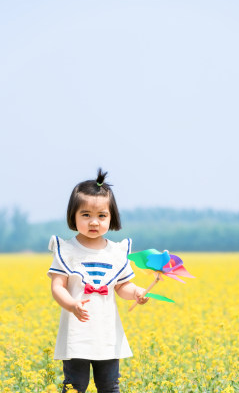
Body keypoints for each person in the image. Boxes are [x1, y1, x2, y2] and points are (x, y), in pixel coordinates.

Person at [47, 168, 149, 393]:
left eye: (102, 216)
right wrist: (71, 304)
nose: (94, 222)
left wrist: (136, 292)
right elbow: (57, 286)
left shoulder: (116, 252)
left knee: (110, 386)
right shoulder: (67, 250)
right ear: (73, 216)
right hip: (77, 333)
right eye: (86, 215)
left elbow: (122, 286)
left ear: (111, 217)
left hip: (106, 334)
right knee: (75, 386)